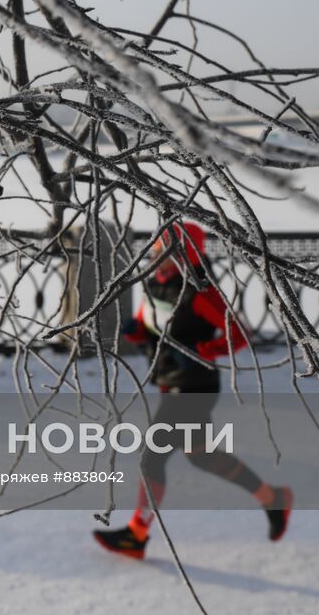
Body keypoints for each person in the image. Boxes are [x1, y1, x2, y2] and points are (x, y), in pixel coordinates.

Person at [92, 222, 293, 559]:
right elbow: (150, 327)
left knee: (150, 458)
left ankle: (137, 534)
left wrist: (205, 351)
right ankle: (272, 498)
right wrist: (136, 332)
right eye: (157, 249)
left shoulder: (200, 293)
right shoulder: (156, 285)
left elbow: (239, 334)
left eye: (167, 250)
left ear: (187, 254)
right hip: (170, 380)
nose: (158, 255)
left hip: (193, 387)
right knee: (201, 456)